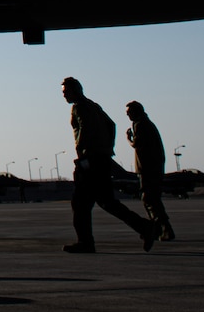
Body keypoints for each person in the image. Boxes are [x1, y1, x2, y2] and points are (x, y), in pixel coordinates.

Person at [61, 76, 157, 253]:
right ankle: (144, 227)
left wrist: (83, 154)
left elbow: (84, 131)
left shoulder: (80, 107)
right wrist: (107, 148)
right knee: (107, 202)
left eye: (66, 92)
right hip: (101, 159)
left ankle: (86, 243)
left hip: (90, 161)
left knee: (80, 204)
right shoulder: (93, 105)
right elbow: (111, 125)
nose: (64, 96)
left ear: (76, 90)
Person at [126, 100, 177, 242]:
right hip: (152, 168)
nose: (128, 116)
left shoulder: (140, 125)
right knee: (151, 199)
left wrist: (128, 139)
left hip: (148, 169)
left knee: (150, 199)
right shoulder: (146, 124)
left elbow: (137, 144)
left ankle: (163, 228)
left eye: (129, 113)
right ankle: (159, 228)